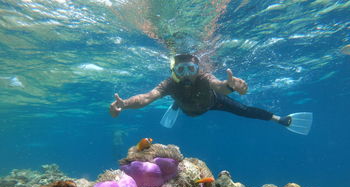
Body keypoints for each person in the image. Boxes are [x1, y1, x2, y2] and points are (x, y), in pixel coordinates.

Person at [109, 54, 296, 128]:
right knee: (177, 97)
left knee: (243, 110)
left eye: (191, 69)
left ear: (198, 70)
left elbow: (220, 87)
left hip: (213, 102)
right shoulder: (170, 84)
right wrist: (124, 104)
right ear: (173, 72)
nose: (186, 75)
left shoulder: (204, 78)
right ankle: (176, 103)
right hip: (187, 109)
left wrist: (231, 86)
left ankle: (278, 119)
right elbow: (146, 98)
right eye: (180, 70)